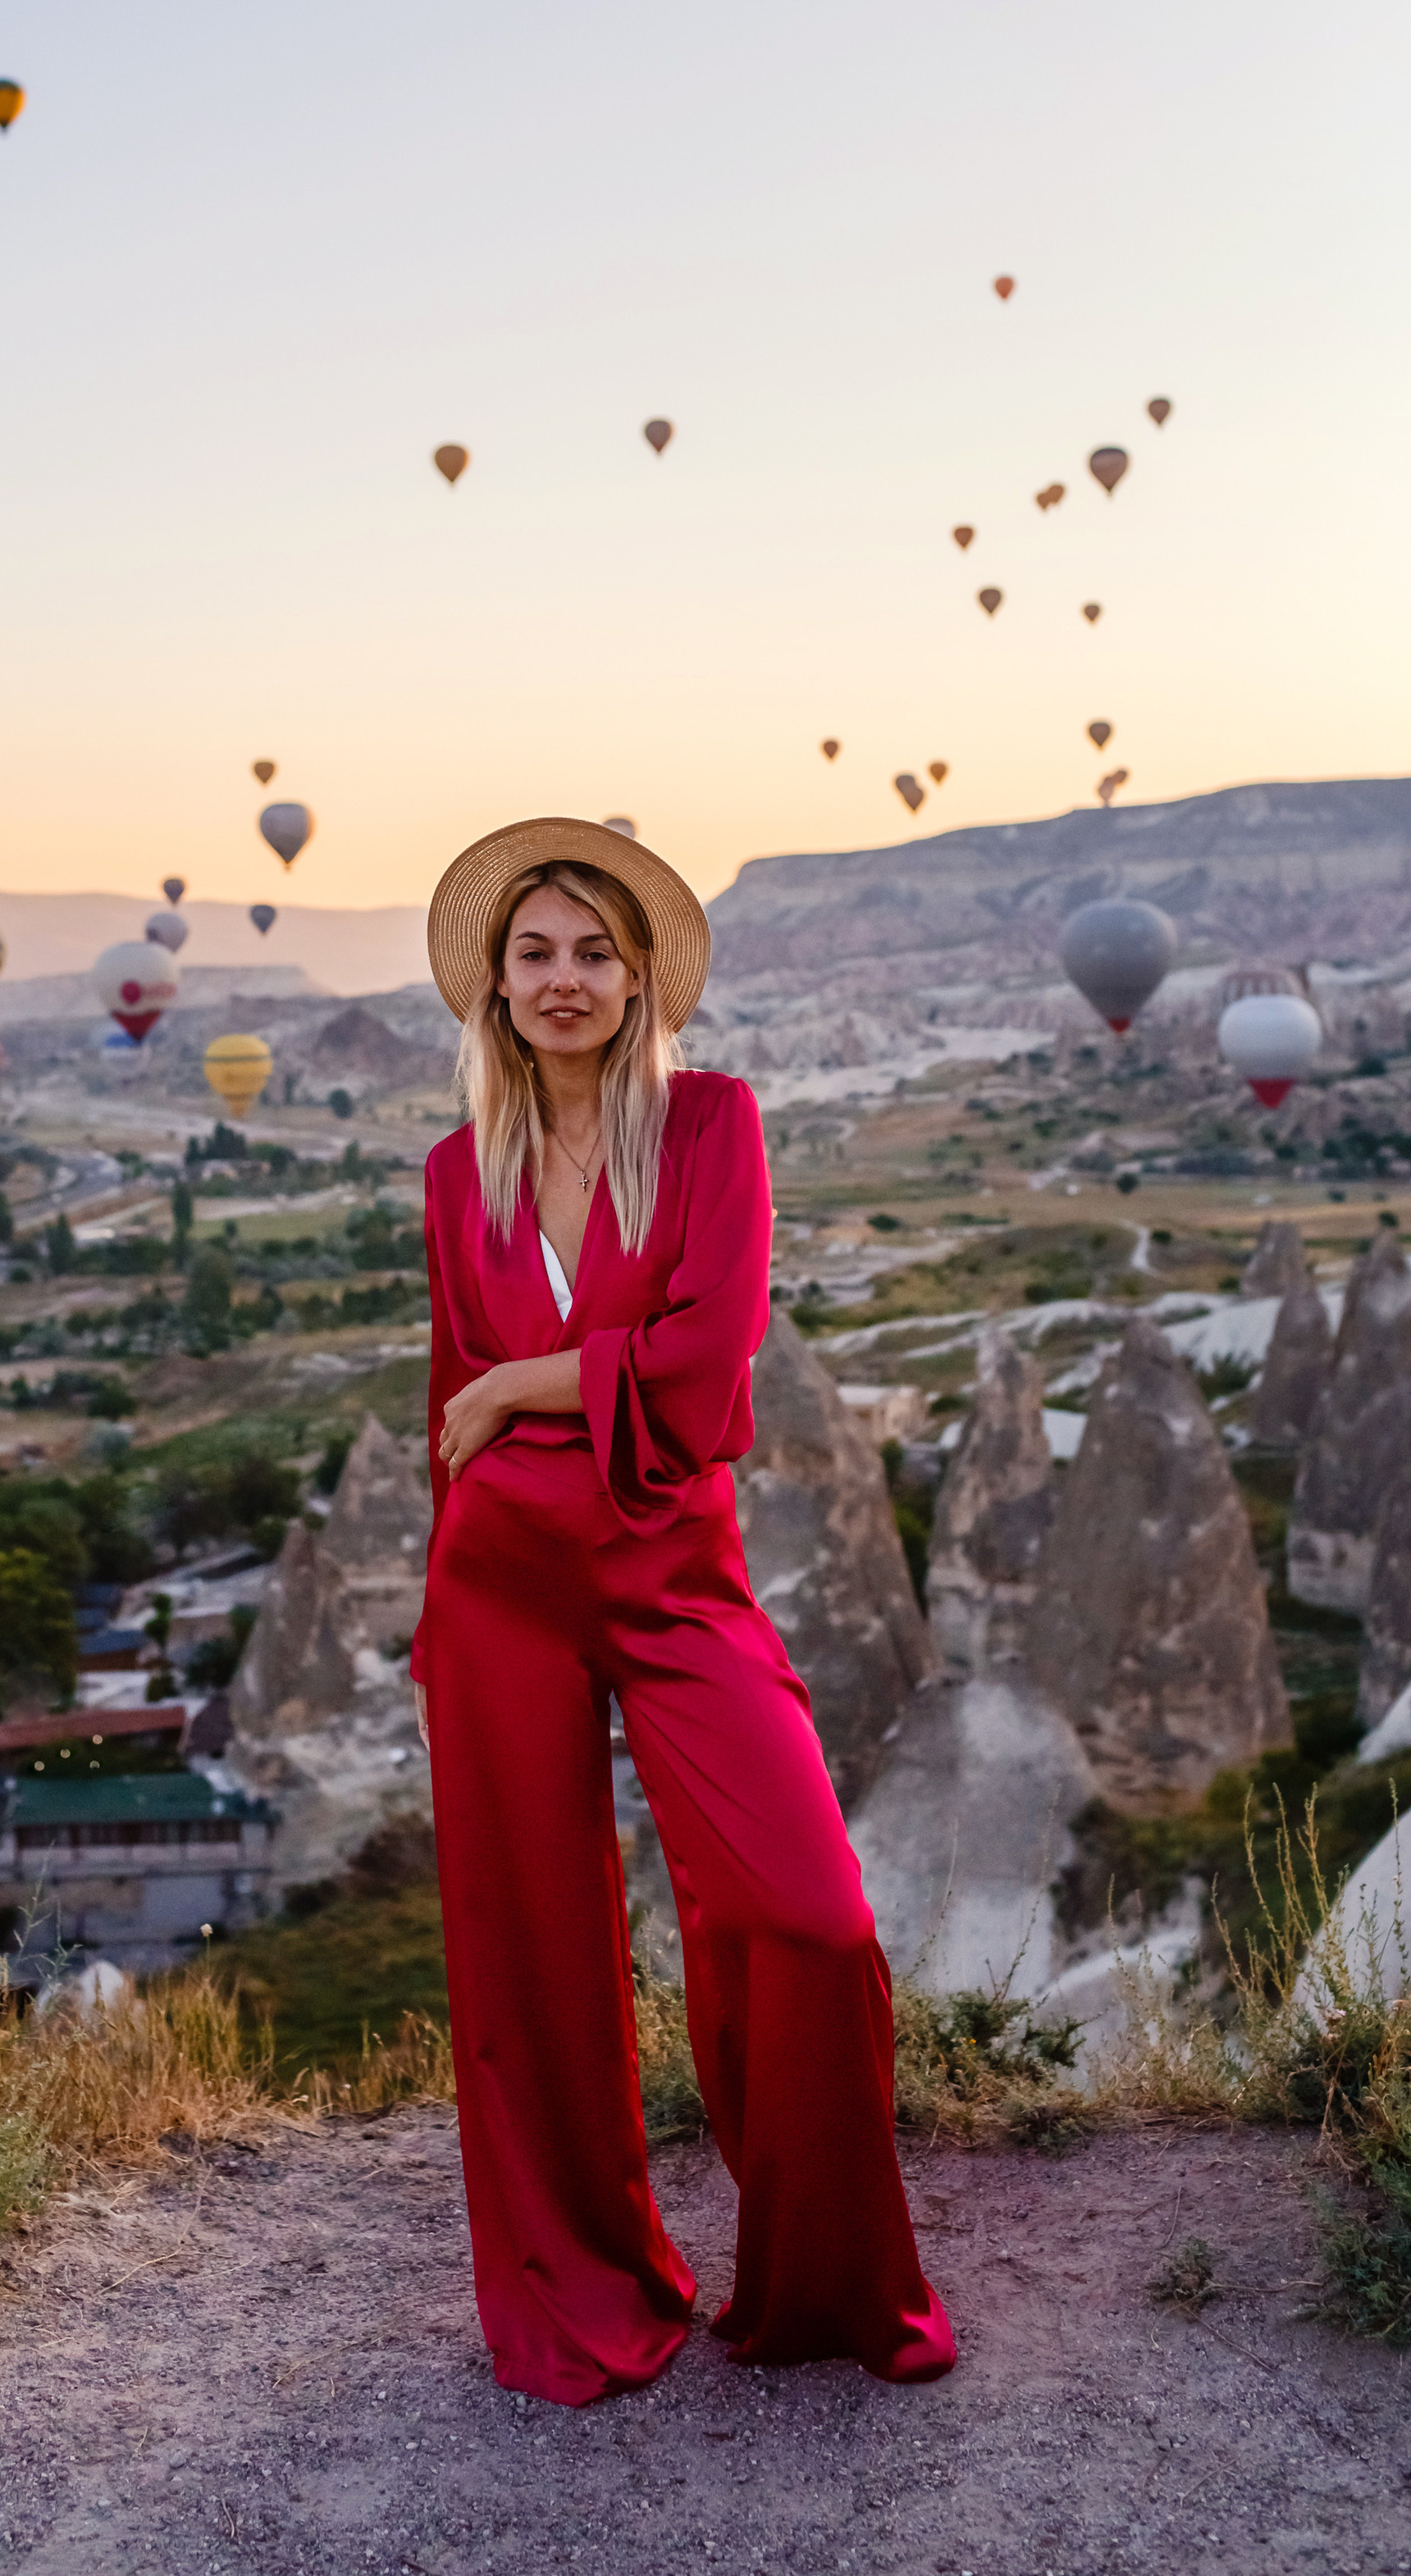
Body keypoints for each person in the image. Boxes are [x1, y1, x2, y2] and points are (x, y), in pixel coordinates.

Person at [413, 816, 954, 2406]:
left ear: (641, 977)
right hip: (499, 1589)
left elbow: (709, 1357)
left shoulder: (713, 1125)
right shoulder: (457, 1174)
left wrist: (527, 1383)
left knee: (808, 1916)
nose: (563, 980)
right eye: (534, 955)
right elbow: (448, 1407)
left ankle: (825, 2284)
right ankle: (581, 2289)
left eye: (594, 953)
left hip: (672, 1574)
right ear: (495, 986)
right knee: (527, 1957)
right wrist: (445, 1590)